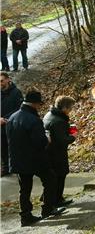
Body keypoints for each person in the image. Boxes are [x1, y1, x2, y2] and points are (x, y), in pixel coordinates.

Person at [6, 89, 65, 226]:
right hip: (35, 159)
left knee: (24, 189)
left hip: (17, 159)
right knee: (50, 179)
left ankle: (25, 216)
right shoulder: (34, 120)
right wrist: (48, 139)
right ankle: (48, 209)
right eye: (39, 104)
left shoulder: (13, 117)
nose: (39, 106)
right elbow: (40, 142)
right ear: (35, 104)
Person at [43, 95, 76, 207]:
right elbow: (62, 140)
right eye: (70, 108)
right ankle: (58, 199)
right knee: (61, 175)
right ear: (64, 108)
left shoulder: (49, 114)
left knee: (53, 176)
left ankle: (48, 197)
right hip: (57, 152)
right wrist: (73, 136)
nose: (71, 111)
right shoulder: (59, 121)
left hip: (48, 151)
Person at [1, 71, 24, 176]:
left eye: (1, 81)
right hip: (1, 125)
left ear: (8, 79)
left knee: (14, 147)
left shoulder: (16, 92)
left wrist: (5, 119)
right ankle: (5, 168)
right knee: (3, 147)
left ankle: (16, 167)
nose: (0, 83)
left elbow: (19, 109)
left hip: (12, 124)